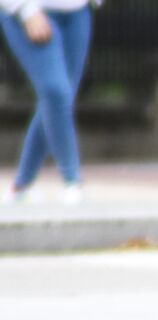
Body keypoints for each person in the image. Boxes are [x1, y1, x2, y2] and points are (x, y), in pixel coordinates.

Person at [1, 0, 98, 205]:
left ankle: (21, 185)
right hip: (30, 12)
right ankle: (72, 180)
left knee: (58, 101)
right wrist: (26, 9)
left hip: (77, 12)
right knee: (56, 93)